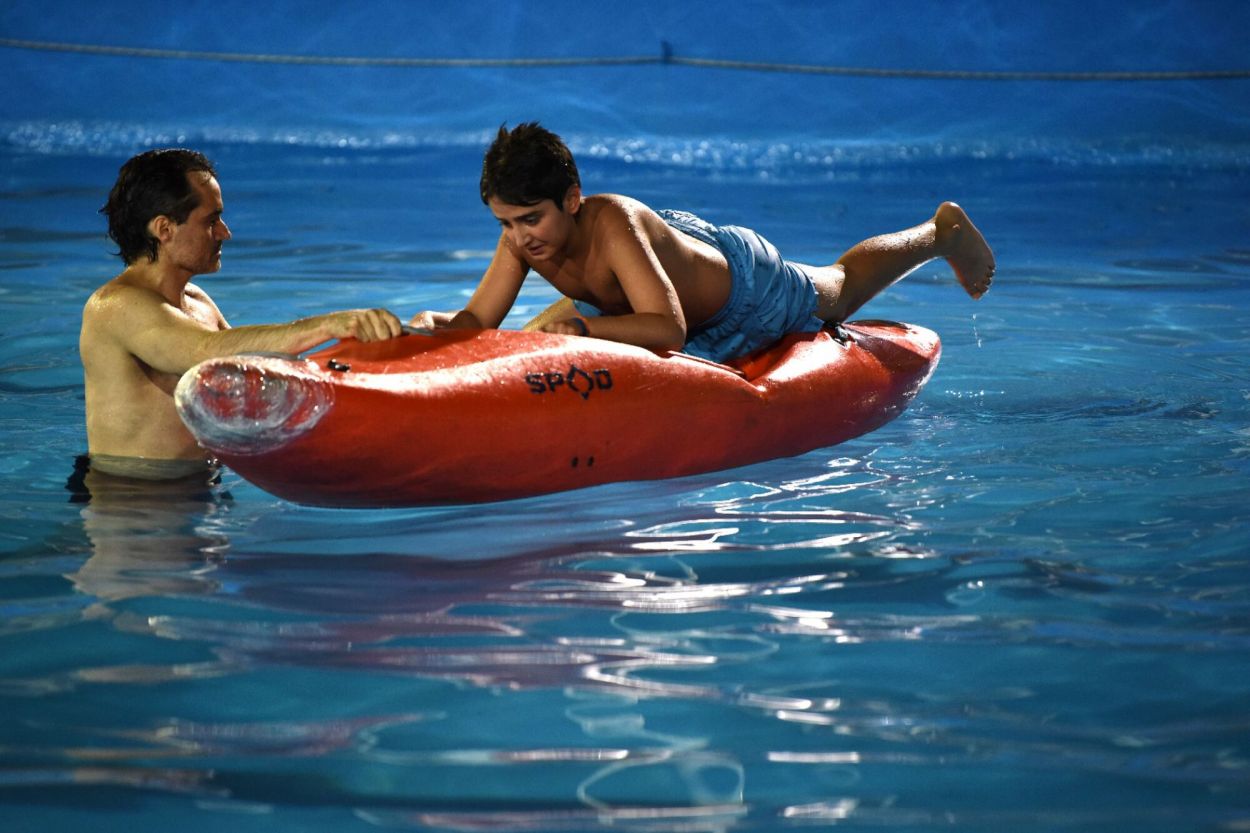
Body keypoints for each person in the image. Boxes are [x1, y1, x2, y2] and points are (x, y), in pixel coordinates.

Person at [411, 122, 995, 362]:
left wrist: (586, 329)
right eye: (505, 224)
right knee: (555, 320)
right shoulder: (522, 239)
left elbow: (667, 329)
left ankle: (939, 233)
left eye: (529, 219)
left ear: (570, 199)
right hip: (654, 268)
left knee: (837, 290)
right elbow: (478, 322)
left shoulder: (610, 222)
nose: (518, 238)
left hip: (739, 287)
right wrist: (440, 329)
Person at [80, 148, 404, 480]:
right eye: (211, 220)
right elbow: (202, 352)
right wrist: (331, 324)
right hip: (130, 501)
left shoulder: (197, 303)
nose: (225, 232)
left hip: (200, 489)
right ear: (164, 229)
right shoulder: (115, 306)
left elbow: (249, 374)